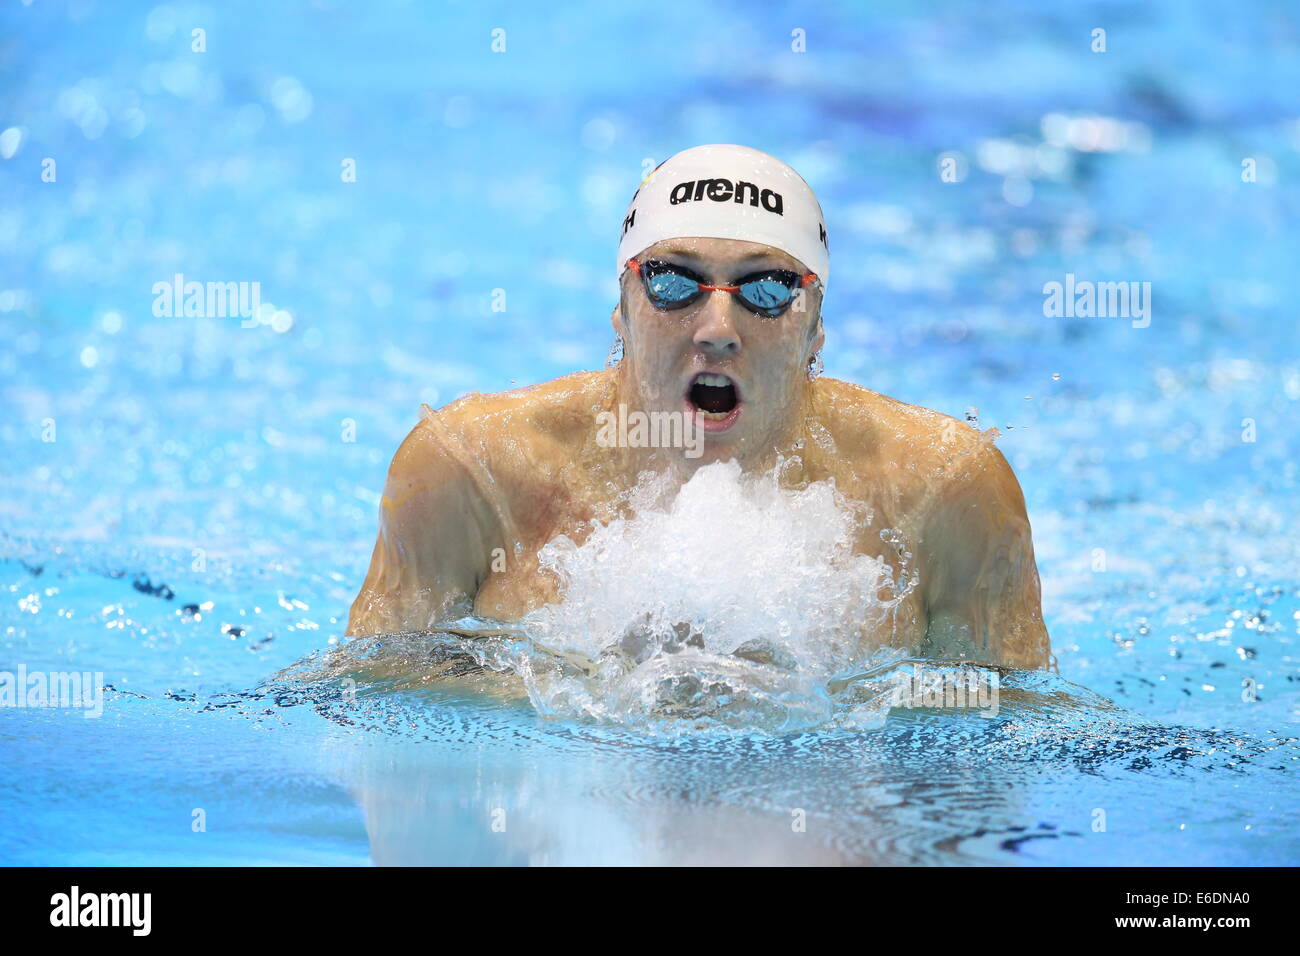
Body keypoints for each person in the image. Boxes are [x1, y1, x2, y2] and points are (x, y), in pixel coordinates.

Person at [347, 144, 1051, 670]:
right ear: (621, 309)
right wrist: (590, 694)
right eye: (675, 282)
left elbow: (999, 746)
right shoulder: (471, 472)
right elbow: (372, 702)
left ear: (814, 327)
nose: (717, 328)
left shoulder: (944, 488)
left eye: (767, 289)